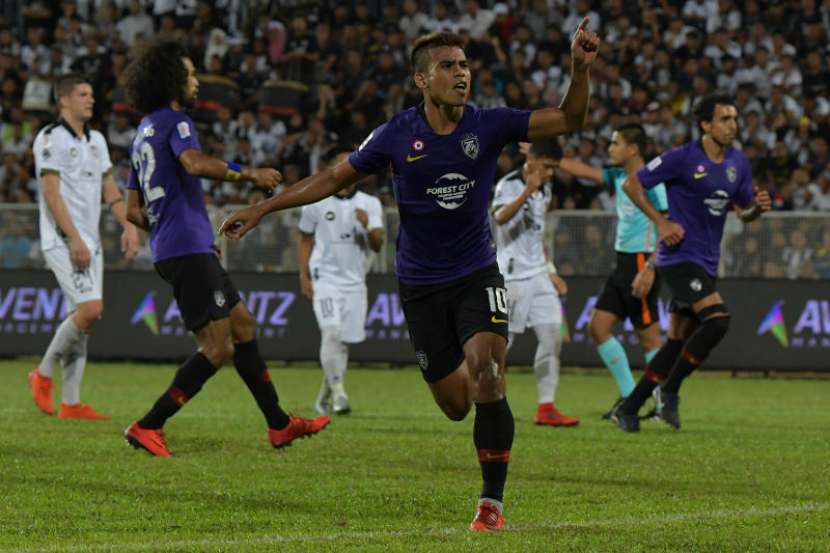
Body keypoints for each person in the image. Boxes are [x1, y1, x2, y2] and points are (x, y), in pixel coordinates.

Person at [220, 23, 600, 531]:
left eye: (464, 65)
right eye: (448, 66)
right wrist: (264, 207)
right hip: (420, 285)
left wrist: (579, 70)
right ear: (422, 79)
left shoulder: (490, 124)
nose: (461, 74)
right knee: (457, 405)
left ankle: (491, 503)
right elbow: (332, 178)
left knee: (488, 371)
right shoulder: (396, 134)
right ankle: (479, 396)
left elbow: (570, 118)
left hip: (477, 272)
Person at [121, 37, 329, 457]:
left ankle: (279, 424)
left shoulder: (142, 134)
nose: (197, 82)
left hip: (180, 246)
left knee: (243, 326)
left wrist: (175, 231)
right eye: (190, 75)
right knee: (217, 348)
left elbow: (132, 211)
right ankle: (148, 425)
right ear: (171, 81)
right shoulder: (176, 122)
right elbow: (195, 163)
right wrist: (250, 174)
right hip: (186, 249)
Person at [611, 91, 771, 432]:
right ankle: (669, 391)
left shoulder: (739, 162)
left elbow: (743, 212)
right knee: (718, 321)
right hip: (679, 256)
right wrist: (661, 221)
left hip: (708, 262)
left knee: (676, 341)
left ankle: (629, 408)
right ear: (705, 124)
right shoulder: (682, 157)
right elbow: (631, 184)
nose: (732, 125)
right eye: (725, 119)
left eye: (734, 118)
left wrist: (756, 209)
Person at [28, 73, 140, 420]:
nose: (91, 99)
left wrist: (128, 225)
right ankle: (42, 374)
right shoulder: (49, 139)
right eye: (82, 94)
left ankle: (71, 403)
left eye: (91, 93)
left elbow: (111, 192)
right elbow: (51, 193)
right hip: (63, 240)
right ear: (64, 100)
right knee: (90, 309)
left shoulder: (97, 141)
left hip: (90, 242)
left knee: (81, 319)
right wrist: (74, 238)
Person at [555, 123, 668, 418]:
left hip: (643, 262)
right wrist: (549, 157)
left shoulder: (653, 182)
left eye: (616, 143)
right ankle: (629, 395)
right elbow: (585, 171)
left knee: (649, 338)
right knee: (598, 327)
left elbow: (667, 227)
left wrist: (651, 267)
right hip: (623, 263)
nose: (610, 148)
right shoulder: (619, 175)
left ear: (633, 148)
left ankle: (662, 405)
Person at [491, 140, 580, 427]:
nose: (550, 173)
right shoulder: (509, 185)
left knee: (553, 337)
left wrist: (551, 270)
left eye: (554, 168)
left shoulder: (547, 189)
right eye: (547, 167)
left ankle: (546, 407)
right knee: (502, 344)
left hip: (539, 274)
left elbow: (537, 235)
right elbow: (500, 218)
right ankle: (484, 397)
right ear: (532, 160)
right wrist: (527, 190)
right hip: (512, 276)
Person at [298, 148, 384, 416]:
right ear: (332, 168)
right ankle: (339, 394)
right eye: (343, 163)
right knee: (332, 333)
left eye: (354, 162)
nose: (350, 167)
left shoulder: (370, 204)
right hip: (325, 278)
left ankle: (324, 398)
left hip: (355, 282)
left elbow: (378, 244)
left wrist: (367, 226)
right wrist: (304, 276)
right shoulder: (316, 200)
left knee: (342, 341)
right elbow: (305, 239)